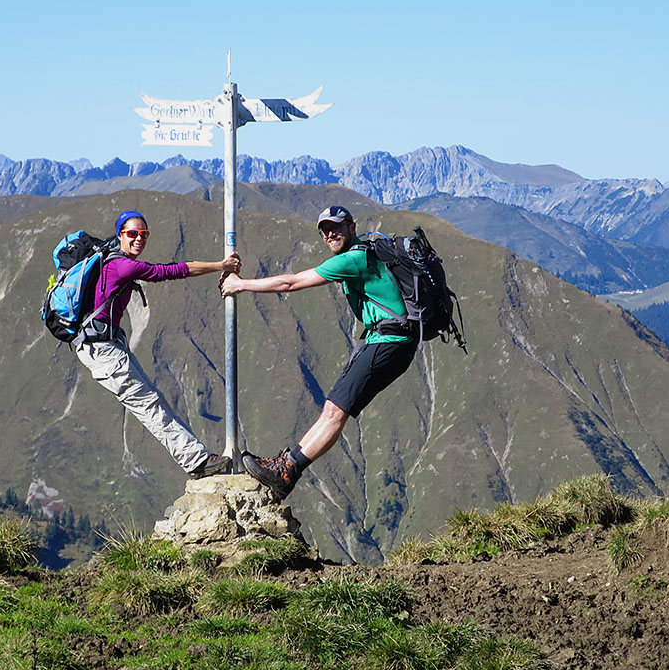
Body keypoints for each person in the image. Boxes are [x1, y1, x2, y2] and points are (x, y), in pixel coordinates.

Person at [219, 204, 418, 499]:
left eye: (335, 227)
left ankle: (287, 472)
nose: (330, 235)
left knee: (336, 411)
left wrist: (241, 284)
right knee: (332, 407)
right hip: (388, 342)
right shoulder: (366, 251)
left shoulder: (353, 259)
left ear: (351, 226)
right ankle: (287, 463)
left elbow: (291, 282)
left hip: (389, 342)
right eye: (325, 231)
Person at [75, 209, 241, 479]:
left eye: (144, 234)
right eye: (132, 233)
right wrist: (221, 266)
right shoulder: (123, 266)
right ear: (120, 235)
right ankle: (196, 462)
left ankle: (196, 459)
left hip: (105, 344)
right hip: (102, 348)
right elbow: (173, 271)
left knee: (152, 399)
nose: (139, 239)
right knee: (148, 403)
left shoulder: (111, 260)